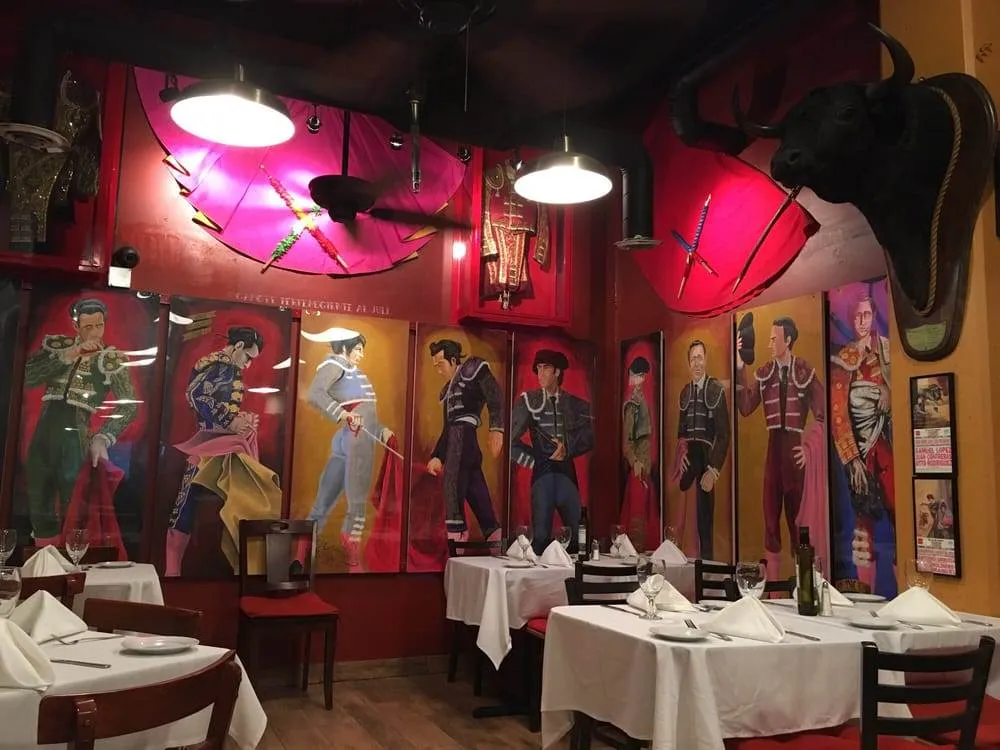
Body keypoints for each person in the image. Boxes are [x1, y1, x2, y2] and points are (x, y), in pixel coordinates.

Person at [22, 298, 137, 545]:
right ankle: (42, 559)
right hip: (44, 430)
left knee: (72, 499)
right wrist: (69, 355)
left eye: (99, 325)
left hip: (76, 435)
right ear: (76, 327)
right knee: (38, 493)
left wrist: (102, 437)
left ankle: (71, 557)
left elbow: (129, 404)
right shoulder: (58, 347)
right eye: (88, 327)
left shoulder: (110, 358)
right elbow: (26, 377)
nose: (94, 332)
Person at [165, 326, 264, 577]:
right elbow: (195, 395)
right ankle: (173, 570)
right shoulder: (221, 365)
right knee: (190, 503)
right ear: (238, 346)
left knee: (195, 503)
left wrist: (239, 419)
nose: (248, 364)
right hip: (211, 444)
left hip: (222, 444)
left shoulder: (225, 366)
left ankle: (176, 570)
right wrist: (230, 421)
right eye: (248, 357)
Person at [736, 316, 825, 579]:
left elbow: (824, 414)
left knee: (799, 526)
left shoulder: (804, 370)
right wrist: (740, 365)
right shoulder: (765, 372)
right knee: (771, 525)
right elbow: (745, 407)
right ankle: (774, 590)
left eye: (774, 338)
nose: (769, 343)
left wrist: (809, 448)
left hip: (795, 456)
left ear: (787, 340)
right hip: (773, 454)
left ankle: (804, 588)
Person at [302, 328, 393, 567]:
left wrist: (381, 430)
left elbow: (365, 414)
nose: (361, 354)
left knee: (328, 495)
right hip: (356, 440)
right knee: (357, 497)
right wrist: (342, 414)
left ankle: (304, 547)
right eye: (358, 349)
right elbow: (315, 394)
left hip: (354, 436)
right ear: (344, 347)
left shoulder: (351, 370)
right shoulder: (335, 364)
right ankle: (348, 551)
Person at [830, 295, 894, 591]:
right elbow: (838, 413)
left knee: (899, 514)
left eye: (867, 314)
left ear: (874, 315)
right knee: (862, 528)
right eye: (857, 315)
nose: (862, 321)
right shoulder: (844, 358)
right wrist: (852, 459)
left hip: (887, 444)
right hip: (860, 451)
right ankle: (866, 597)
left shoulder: (888, 350)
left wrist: (888, 393)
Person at [511, 349, 594, 555]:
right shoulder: (528, 401)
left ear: (557, 372)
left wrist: (568, 448)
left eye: (546, 368)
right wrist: (535, 461)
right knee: (540, 539)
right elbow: (510, 441)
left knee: (579, 538)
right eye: (538, 368)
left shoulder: (574, 404)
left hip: (567, 474)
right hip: (543, 476)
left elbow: (590, 436)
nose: (540, 374)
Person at [427, 339, 504, 542]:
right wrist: (437, 456)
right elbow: (447, 428)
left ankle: (458, 540)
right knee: (475, 488)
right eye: (436, 366)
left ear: (453, 360)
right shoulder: (448, 389)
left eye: (441, 365)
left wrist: (496, 429)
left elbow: (495, 397)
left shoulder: (473, 368)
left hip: (464, 440)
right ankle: (492, 535)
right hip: (462, 442)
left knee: (452, 486)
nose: (439, 371)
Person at [673, 340, 729, 559]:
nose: (696, 363)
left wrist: (713, 470)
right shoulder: (685, 392)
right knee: (684, 518)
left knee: (705, 522)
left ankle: (706, 567)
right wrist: (681, 455)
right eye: (693, 359)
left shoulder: (715, 389)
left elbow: (723, 435)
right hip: (689, 460)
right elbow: (681, 432)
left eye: (700, 357)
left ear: (706, 360)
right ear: (688, 363)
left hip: (707, 458)